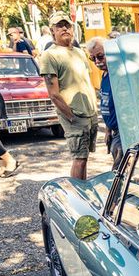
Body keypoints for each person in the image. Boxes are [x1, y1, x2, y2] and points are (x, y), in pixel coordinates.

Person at [39, 12, 99, 181]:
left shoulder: (79, 52)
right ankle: (77, 196)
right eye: (59, 26)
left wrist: (95, 107)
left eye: (67, 25)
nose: (64, 28)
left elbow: (86, 80)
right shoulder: (49, 55)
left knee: (85, 156)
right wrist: (71, 116)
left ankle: (83, 188)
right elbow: (54, 94)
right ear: (52, 31)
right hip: (74, 115)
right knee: (79, 158)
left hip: (90, 112)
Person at [86, 37, 122, 170]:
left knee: (119, 170)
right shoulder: (105, 75)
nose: (97, 62)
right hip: (114, 130)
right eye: (93, 59)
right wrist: (108, 130)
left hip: (123, 131)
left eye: (100, 57)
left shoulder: (119, 75)